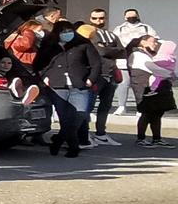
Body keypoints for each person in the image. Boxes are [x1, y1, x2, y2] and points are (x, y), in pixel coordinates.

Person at [38, 17, 93, 155]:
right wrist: (44, 77)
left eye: (69, 30)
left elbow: (96, 63)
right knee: (64, 118)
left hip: (79, 86)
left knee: (80, 115)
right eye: (64, 31)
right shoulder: (49, 46)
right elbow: (39, 64)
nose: (67, 33)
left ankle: (58, 140)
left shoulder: (83, 44)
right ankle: (73, 148)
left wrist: (91, 79)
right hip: (58, 87)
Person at [85, 8, 124, 143]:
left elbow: (122, 51)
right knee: (88, 106)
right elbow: (100, 51)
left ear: (105, 18)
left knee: (105, 105)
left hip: (111, 73)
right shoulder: (88, 34)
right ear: (90, 19)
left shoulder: (111, 35)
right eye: (95, 18)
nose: (98, 21)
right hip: (95, 75)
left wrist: (106, 48)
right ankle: (84, 134)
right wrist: (109, 49)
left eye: (101, 18)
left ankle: (101, 133)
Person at [113, 9, 155, 109]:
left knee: (140, 85)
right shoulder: (119, 29)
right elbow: (114, 42)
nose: (132, 18)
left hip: (140, 61)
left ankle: (140, 107)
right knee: (123, 84)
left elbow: (154, 40)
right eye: (129, 16)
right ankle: (121, 106)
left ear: (138, 16)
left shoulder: (146, 28)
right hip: (123, 60)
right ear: (125, 17)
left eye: (134, 16)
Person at [133, 39, 173, 142]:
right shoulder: (138, 54)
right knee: (147, 113)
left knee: (157, 113)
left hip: (158, 87)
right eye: (153, 41)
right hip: (145, 87)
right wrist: (171, 74)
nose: (156, 44)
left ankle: (157, 138)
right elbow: (151, 67)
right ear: (143, 41)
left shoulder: (152, 55)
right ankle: (141, 138)